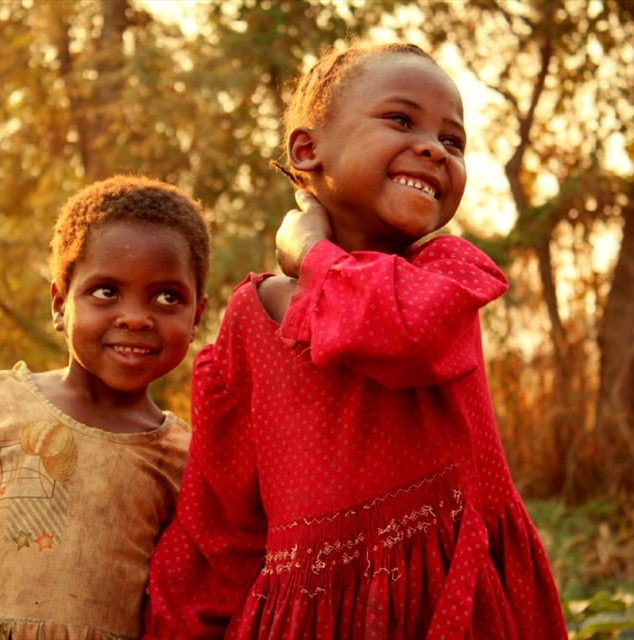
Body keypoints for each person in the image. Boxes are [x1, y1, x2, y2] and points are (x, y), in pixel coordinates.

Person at [147, 42, 566, 639]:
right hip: (309, 619)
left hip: (450, 610)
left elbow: (401, 333)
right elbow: (221, 520)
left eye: (454, 141)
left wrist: (313, 254)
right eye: (401, 120)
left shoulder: (448, 275)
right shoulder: (248, 322)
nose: (432, 147)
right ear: (306, 148)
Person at [0, 175, 209, 640]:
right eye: (106, 292)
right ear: (60, 304)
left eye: (167, 297)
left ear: (197, 316)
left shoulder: (185, 457)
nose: (136, 317)